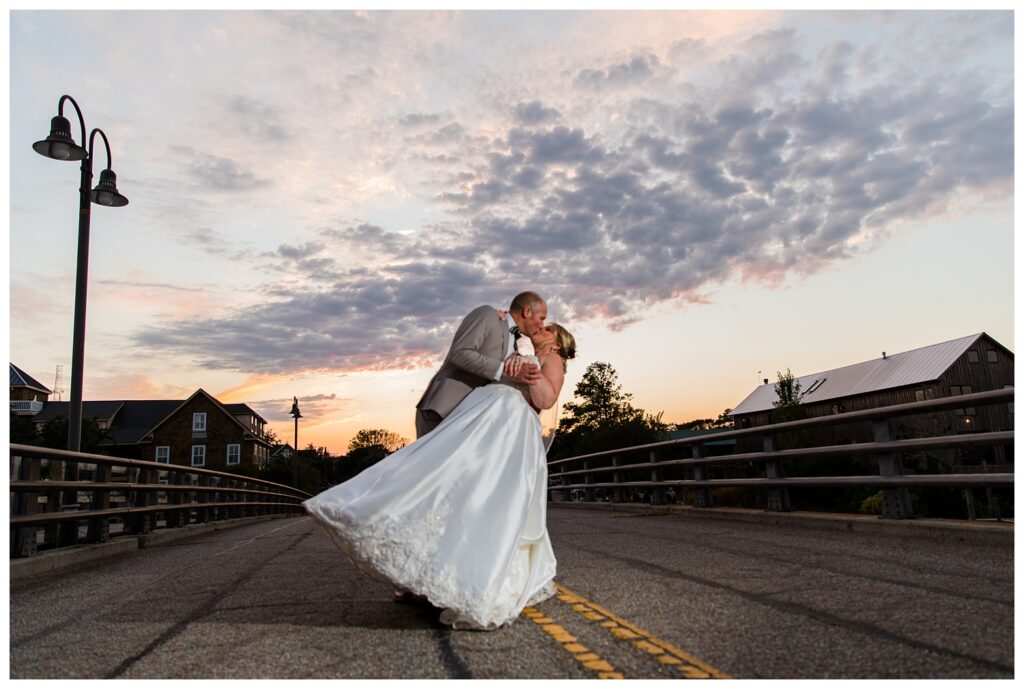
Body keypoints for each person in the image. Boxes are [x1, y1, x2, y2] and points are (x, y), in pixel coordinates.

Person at [304, 314, 577, 630]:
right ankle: (422, 575)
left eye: (547, 329)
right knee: (453, 486)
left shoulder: (551, 359)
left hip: (508, 432)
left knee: (482, 498)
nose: (540, 328)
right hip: (488, 422)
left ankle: (462, 577)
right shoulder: (520, 354)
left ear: (556, 343)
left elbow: (545, 398)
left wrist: (529, 372)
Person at [415, 291, 547, 438]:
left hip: (470, 420)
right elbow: (459, 353)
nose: (542, 325)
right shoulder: (488, 315)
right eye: (541, 318)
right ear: (527, 311)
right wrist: (505, 370)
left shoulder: (516, 346)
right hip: (443, 410)